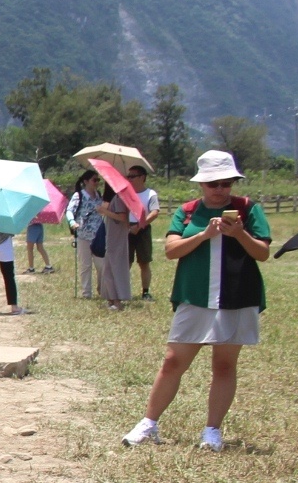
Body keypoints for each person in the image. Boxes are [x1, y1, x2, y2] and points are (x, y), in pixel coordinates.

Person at [123, 151, 272, 452]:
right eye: (213, 183)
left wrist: (240, 234)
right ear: (201, 184)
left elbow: (262, 253)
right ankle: (149, 423)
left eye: (226, 182)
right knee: (173, 361)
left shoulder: (248, 209)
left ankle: (212, 431)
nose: (220, 189)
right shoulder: (188, 211)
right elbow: (171, 250)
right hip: (194, 295)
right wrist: (204, 235)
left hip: (237, 296)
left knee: (225, 365)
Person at [66, 171, 105, 299]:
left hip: (98, 236)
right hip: (83, 235)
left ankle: (102, 289)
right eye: (94, 180)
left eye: (98, 180)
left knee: (102, 265)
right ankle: (86, 293)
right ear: (86, 181)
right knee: (85, 265)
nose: (97, 183)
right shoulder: (79, 196)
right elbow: (70, 211)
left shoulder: (99, 195)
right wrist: (72, 222)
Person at [97, 178, 136, 310]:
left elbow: (122, 217)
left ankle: (118, 300)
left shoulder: (119, 199)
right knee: (108, 270)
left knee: (115, 268)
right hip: (112, 237)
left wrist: (105, 212)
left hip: (117, 239)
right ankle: (111, 299)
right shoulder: (114, 199)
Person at [127, 164, 161, 300]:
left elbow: (154, 212)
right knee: (126, 262)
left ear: (142, 177)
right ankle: (124, 290)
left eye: (132, 176)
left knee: (144, 262)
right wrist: (128, 228)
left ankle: (145, 292)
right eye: (128, 176)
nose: (129, 179)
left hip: (143, 229)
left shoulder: (150, 194)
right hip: (127, 229)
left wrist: (140, 226)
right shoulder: (126, 193)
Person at [23, 210, 53, 275]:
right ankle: (48, 266)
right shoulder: (39, 206)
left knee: (30, 248)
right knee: (40, 247)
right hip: (39, 225)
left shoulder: (30, 207)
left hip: (33, 226)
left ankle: (31, 268)